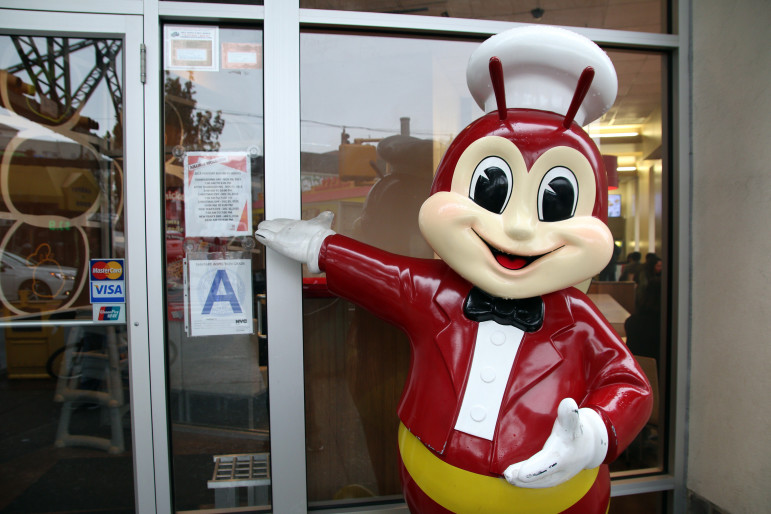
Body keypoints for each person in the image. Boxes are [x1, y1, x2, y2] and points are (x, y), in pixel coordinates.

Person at [256, 26, 651, 513]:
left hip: (559, 502)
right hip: (431, 484)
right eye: (491, 188)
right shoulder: (438, 294)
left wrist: (592, 434)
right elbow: (382, 274)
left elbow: (627, 383)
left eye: (555, 199)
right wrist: (320, 245)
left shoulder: (575, 317)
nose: (522, 228)